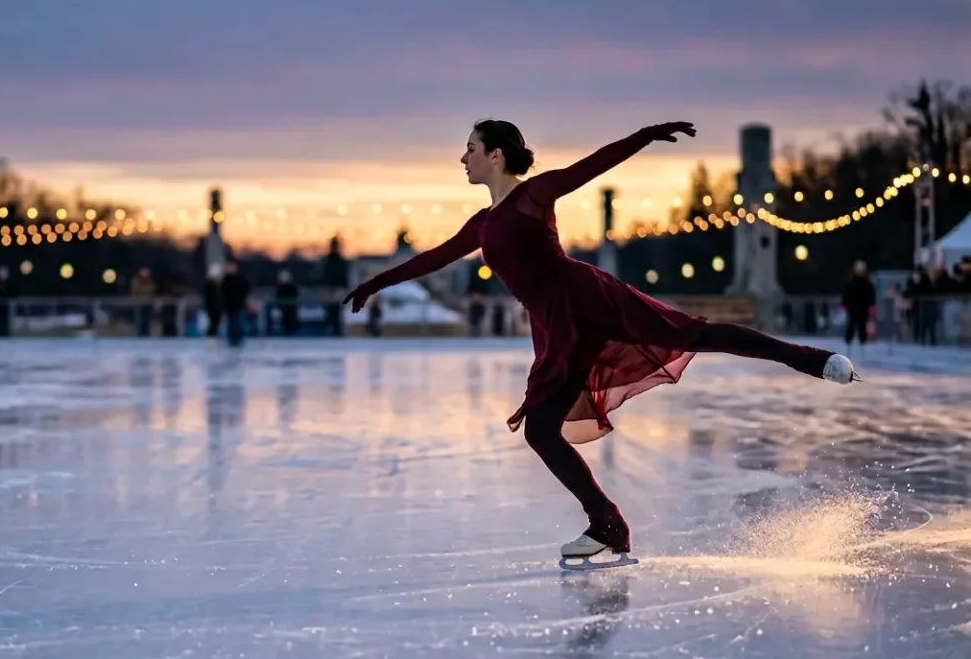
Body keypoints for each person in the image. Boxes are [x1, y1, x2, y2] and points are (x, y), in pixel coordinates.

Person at [342, 120, 859, 569]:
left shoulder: (532, 196)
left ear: (495, 155)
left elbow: (591, 167)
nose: (463, 158)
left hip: (586, 296)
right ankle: (607, 524)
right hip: (558, 324)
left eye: (471, 149)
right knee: (542, 429)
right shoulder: (482, 224)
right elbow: (430, 258)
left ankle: (813, 360)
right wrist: (372, 284)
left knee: (692, 333)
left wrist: (644, 136)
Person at [841, 260, 876, 351]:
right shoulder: (851, 282)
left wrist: (872, 305)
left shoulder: (867, 283)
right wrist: (844, 304)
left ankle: (862, 342)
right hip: (852, 307)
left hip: (863, 307)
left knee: (862, 325)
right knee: (851, 324)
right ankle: (848, 341)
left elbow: (871, 295)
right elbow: (846, 294)